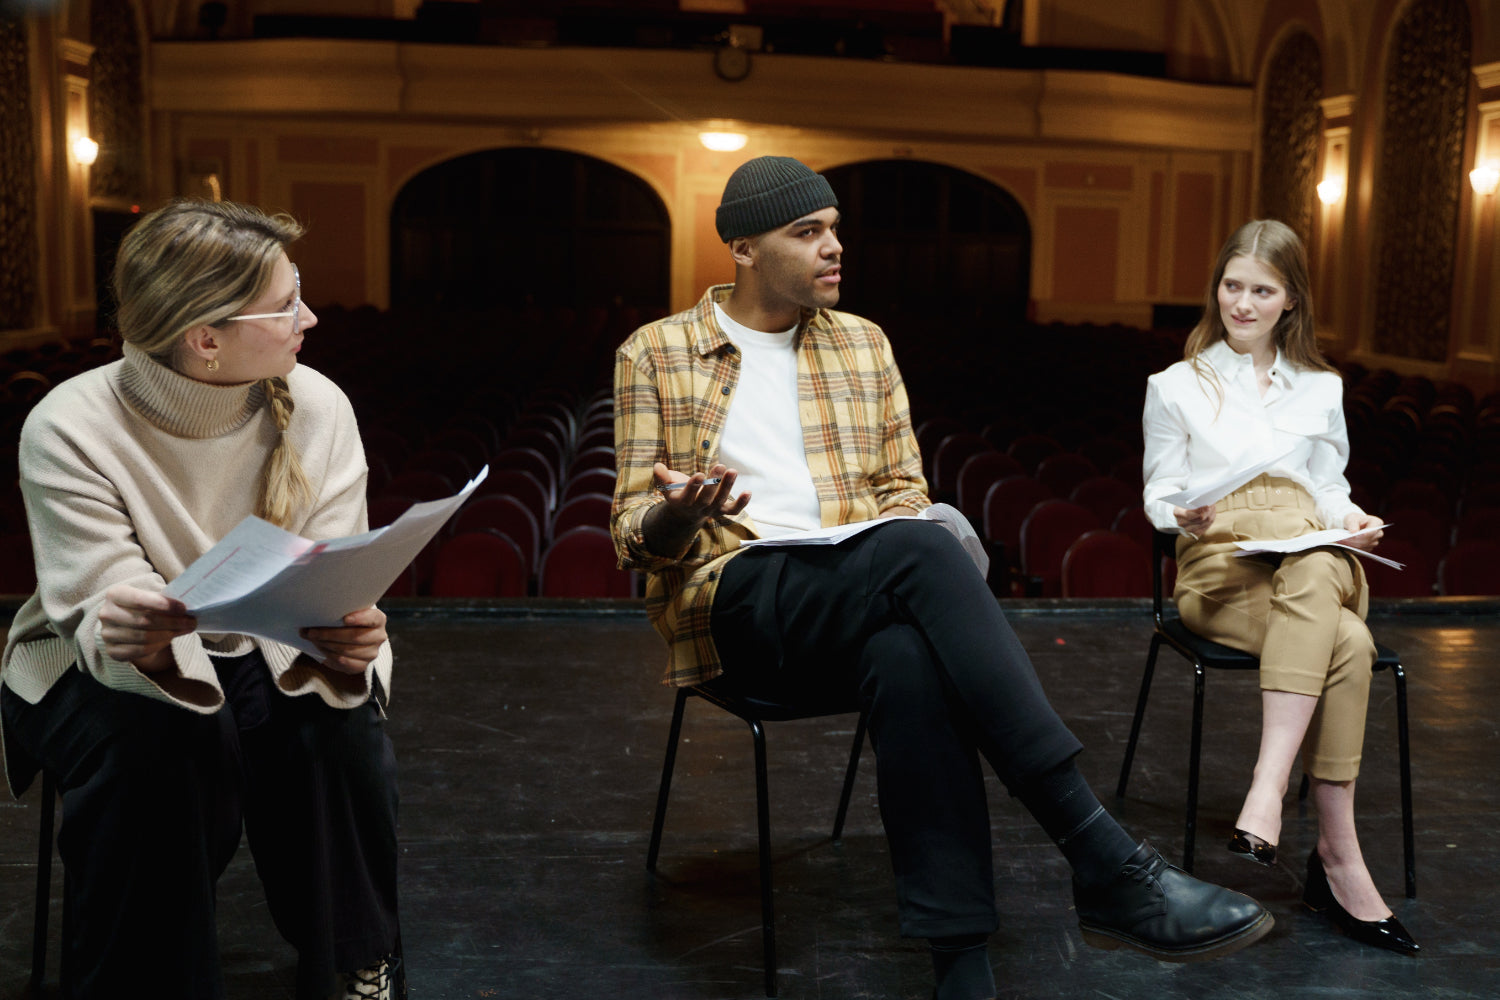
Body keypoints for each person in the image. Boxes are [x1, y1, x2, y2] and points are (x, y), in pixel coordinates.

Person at [612, 155, 1272, 1000]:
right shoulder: (656, 354)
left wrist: (882, 532)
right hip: (737, 601)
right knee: (920, 551)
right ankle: (1103, 858)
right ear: (743, 248)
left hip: (853, 596)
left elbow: (902, 494)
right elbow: (634, 538)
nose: (833, 247)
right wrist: (682, 511)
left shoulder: (863, 343)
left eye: (835, 228)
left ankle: (961, 963)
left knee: (911, 659)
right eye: (806, 232)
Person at [1, 200, 405, 999]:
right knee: (161, 743)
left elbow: (327, 574)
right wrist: (147, 640)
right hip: (95, 658)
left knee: (336, 728)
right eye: (287, 303)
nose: (310, 315)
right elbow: (99, 603)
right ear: (205, 338)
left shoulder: (317, 403)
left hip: (268, 642)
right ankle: (144, 981)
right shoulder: (69, 424)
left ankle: (357, 959)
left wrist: (347, 638)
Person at [1142, 218, 1418, 956]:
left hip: (1304, 544)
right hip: (1221, 560)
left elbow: (1329, 490)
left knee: (1323, 561)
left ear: (1290, 299)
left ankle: (1267, 791)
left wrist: (1355, 521)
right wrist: (1182, 515)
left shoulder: (1321, 388)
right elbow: (1158, 492)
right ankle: (1337, 858)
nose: (1242, 302)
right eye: (1232, 286)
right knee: (1350, 641)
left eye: (1261, 290)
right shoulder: (1176, 384)